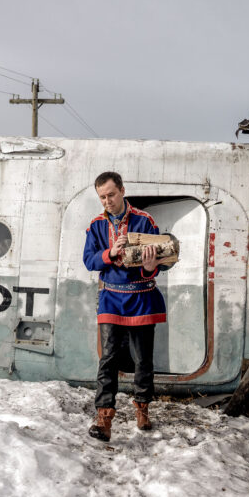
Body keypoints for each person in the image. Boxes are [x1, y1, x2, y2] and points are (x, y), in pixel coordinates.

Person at [82, 171, 171, 441]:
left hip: (142, 298)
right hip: (111, 297)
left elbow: (162, 262)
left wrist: (150, 266)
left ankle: (142, 408)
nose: (107, 201)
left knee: (142, 359)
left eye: (111, 194)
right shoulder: (95, 225)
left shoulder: (145, 221)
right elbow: (89, 261)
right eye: (102, 197)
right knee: (108, 359)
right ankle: (104, 418)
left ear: (122, 190)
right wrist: (110, 252)